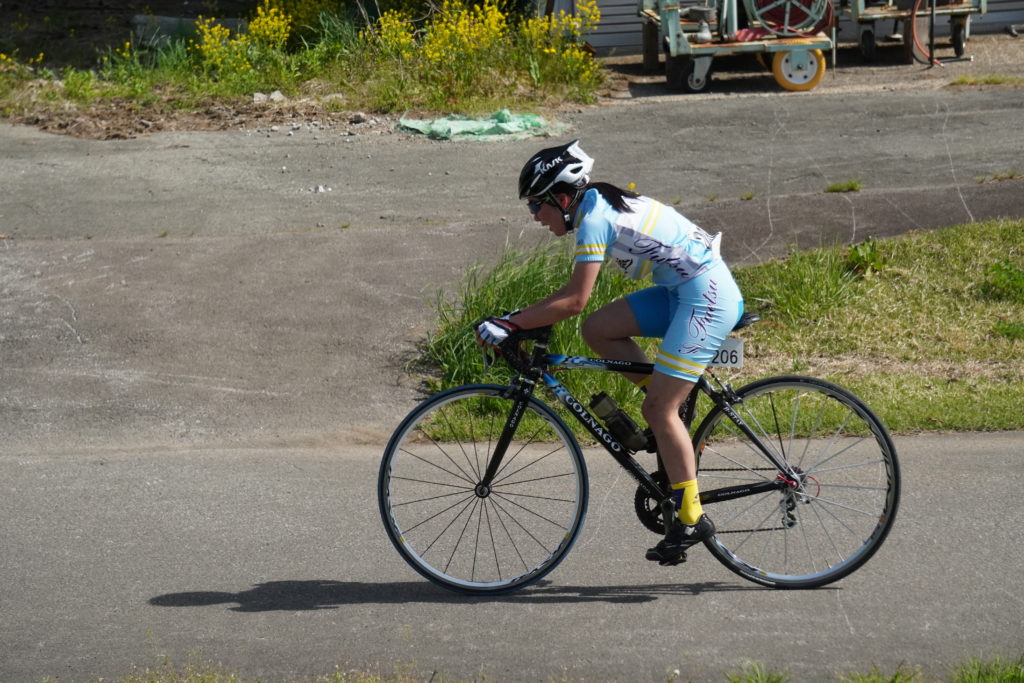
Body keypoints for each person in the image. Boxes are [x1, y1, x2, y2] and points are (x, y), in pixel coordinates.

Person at [475, 140, 744, 565]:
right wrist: (519, 318)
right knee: (598, 330)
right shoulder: (595, 205)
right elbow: (581, 311)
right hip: (683, 291)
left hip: (707, 296)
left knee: (659, 411)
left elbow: (574, 298)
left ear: (562, 198)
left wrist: (511, 323)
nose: (534, 217)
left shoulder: (595, 218)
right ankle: (668, 407)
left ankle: (691, 517)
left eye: (536, 207)